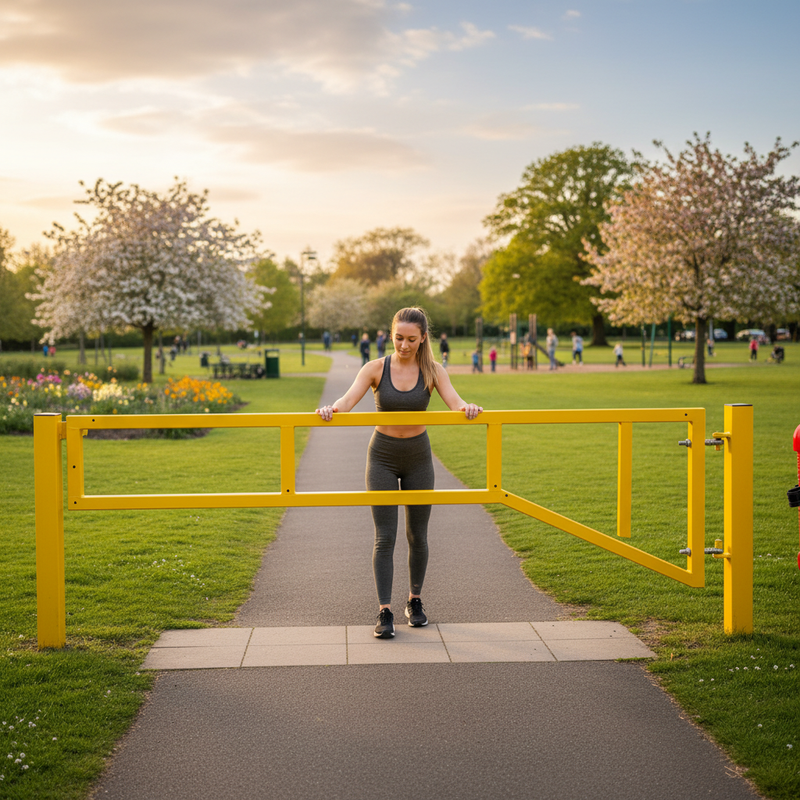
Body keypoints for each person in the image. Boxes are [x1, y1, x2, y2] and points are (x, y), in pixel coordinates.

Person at [315, 307, 483, 639]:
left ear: (422, 339)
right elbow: (346, 401)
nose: (403, 345)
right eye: (398, 338)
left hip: (419, 458)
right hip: (382, 458)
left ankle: (414, 602)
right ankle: (384, 611)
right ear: (390, 335)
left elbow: (455, 403)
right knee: (385, 536)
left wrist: (468, 408)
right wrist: (330, 409)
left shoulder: (433, 370)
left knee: (417, 536)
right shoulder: (375, 368)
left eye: (410, 339)